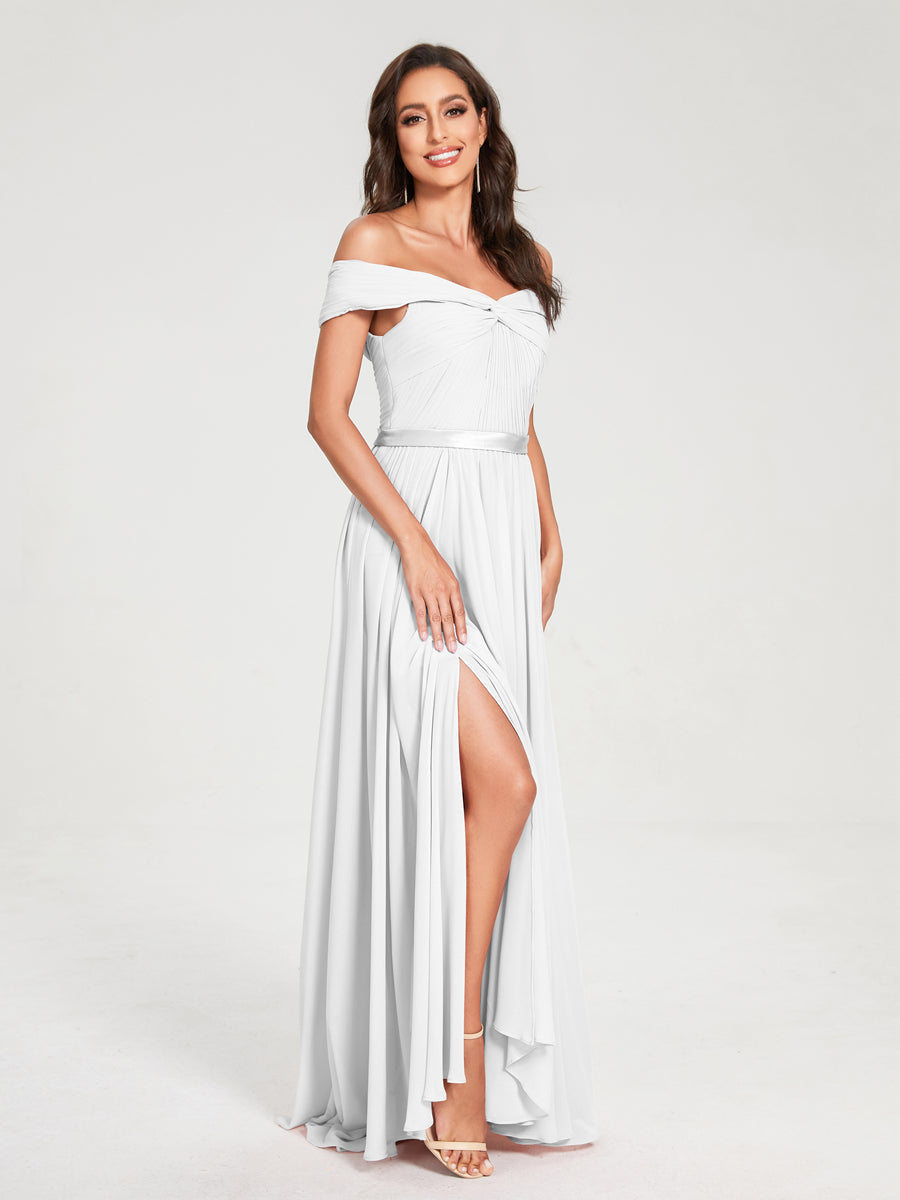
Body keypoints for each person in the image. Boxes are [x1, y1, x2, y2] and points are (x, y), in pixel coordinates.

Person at [278, 43, 599, 1179]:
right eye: (413, 119)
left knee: (484, 792)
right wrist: (416, 546)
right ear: (393, 140)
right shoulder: (373, 244)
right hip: (410, 540)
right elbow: (327, 415)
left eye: (453, 110)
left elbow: (517, 412)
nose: (437, 134)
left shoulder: (524, 257)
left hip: (503, 540)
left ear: (483, 121)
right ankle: (454, 1062)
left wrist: (551, 533)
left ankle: (454, 1048)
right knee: (502, 781)